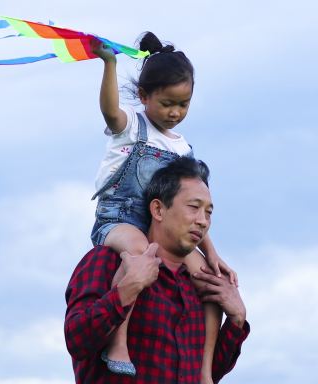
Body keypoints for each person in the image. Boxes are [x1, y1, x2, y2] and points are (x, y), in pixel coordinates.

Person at [87, 32, 237, 382]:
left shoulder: (182, 148)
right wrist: (109, 64)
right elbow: (110, 110)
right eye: (167, 103)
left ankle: (204, 372)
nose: (175, 112)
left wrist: (211, 252)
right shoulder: (131, 128)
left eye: (183, 104)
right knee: (143, 252)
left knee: (209, 282)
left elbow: (189, 205)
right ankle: (118, 343)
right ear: (144, 96)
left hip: (165, 228)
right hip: (120, 219)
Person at [65, 157, 249, 383]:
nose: (203, 221)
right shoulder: (109, 260)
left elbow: (207, 374)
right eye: (193, 207)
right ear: (158, 209)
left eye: (209, 212)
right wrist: (125, 290)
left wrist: (237, 319)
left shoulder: (201, 285)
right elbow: (77, 341)